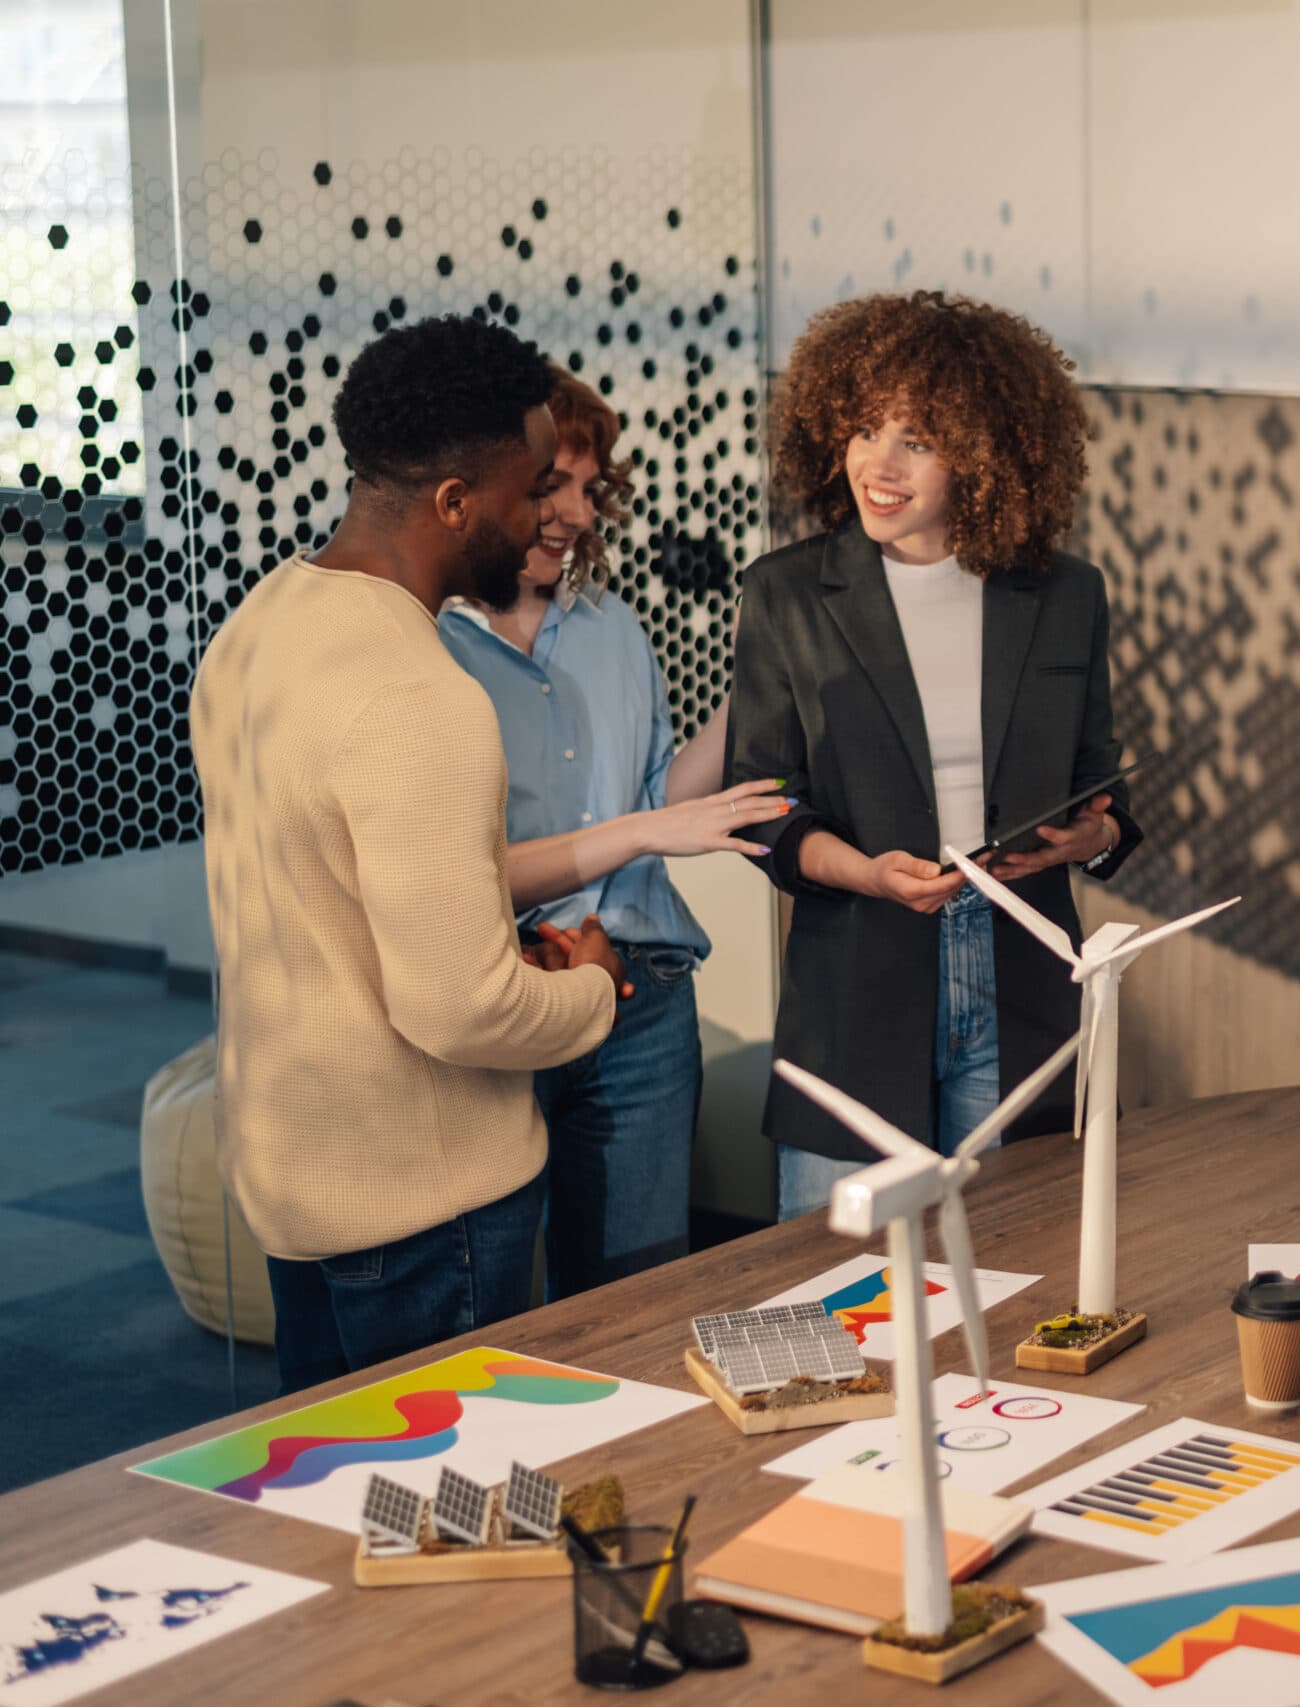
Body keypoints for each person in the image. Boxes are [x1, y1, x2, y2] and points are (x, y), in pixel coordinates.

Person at [191, 315, 624, 1392]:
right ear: (453, 502)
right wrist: (596, 990)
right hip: (430, 1217)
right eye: (528, 490)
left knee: (342, 1536)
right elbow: (460, 1012)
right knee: (460, 1542)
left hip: (298, 1191)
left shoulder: (257, 630)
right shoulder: (421, 695)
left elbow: (328, 910)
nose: (540, 521)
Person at [729, 289, 1142, 1217]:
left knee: (1025, 1276)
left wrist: (1089, 836)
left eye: (917, 438)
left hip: (1025, 980)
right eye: (865, 430)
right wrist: (871, 875)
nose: (880, 465)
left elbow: (1100, 786)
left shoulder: (1066, 594)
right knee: (839, 1309)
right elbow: (764, 812)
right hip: (858, 987)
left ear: (984, 452)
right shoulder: (786, 595)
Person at [440, 366, 787, 1298]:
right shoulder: (425, 646)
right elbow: (446, 870)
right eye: (552, 486)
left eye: (588, 489)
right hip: (507, 997)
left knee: (638, 1297)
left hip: (643, 1000)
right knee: (497, 1305)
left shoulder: (614, 629)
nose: (576, 513)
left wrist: (752, 683)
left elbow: (654, 801)